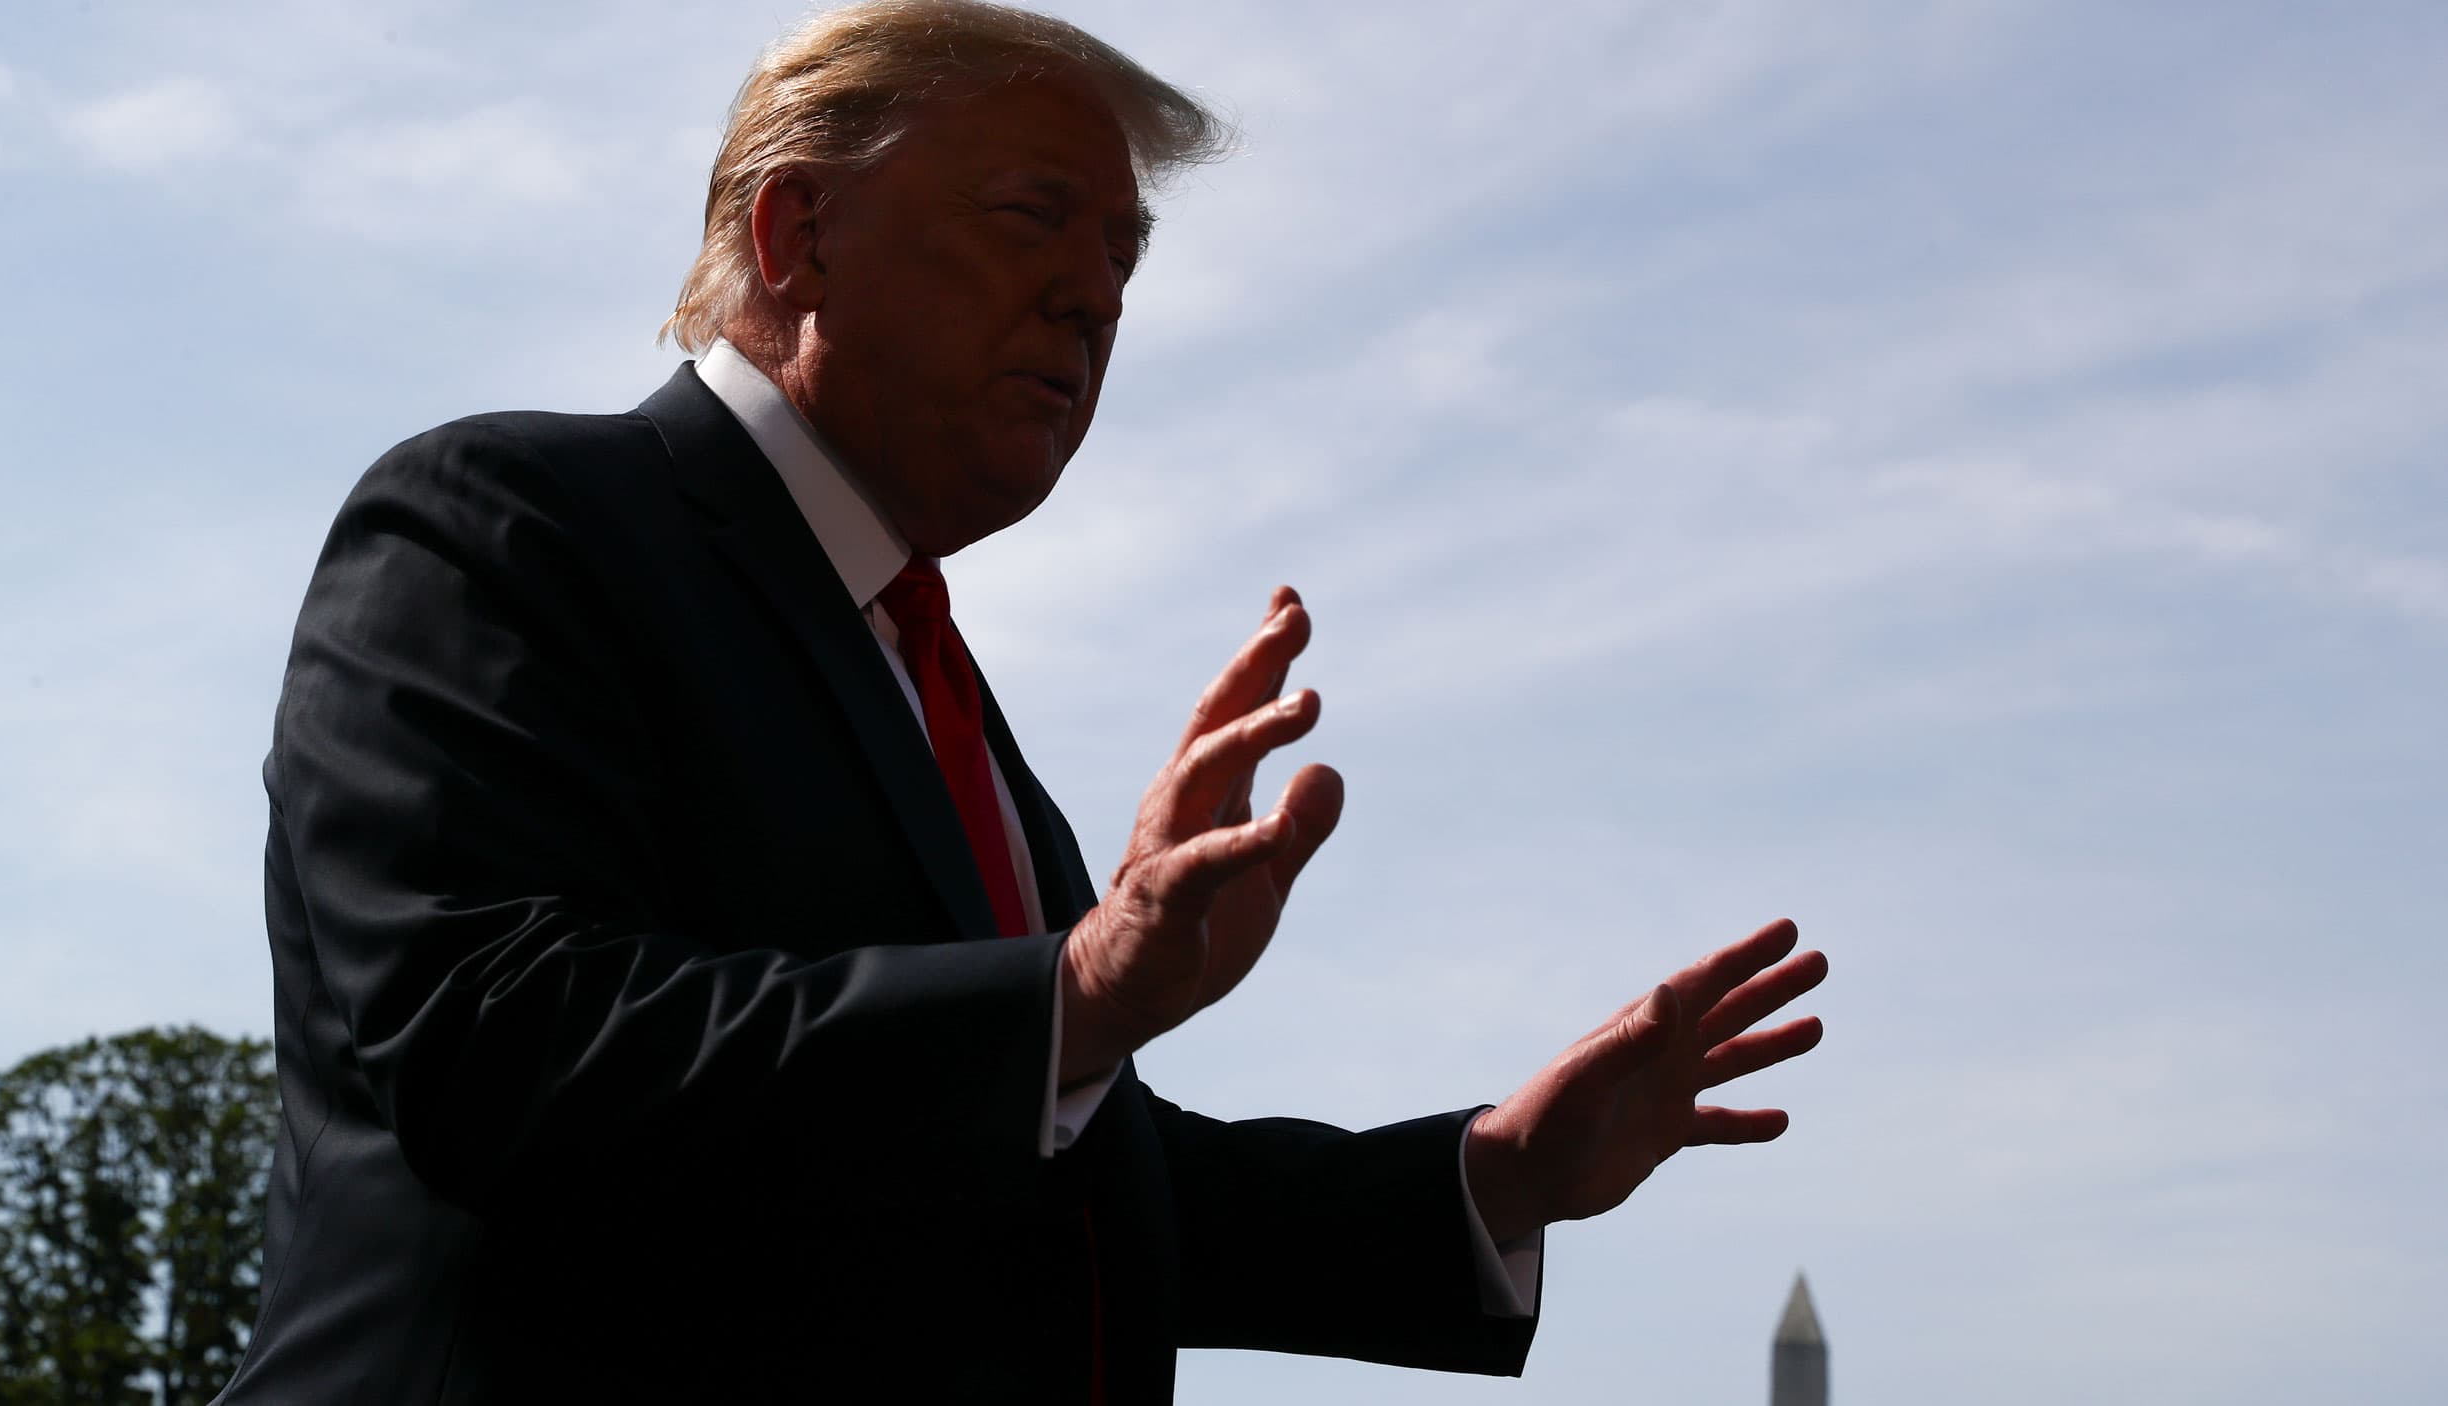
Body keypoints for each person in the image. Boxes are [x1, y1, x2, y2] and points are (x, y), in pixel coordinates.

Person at [217, 3, 1827, 1402]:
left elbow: (1062, 1174)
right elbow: (498, 1038)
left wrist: (1489, 1177)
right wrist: (1077, 988)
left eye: (1122, 254)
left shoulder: (934, 694)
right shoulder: (503, 523)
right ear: (797, 234)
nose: (1094, 296)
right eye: (1033, 216)